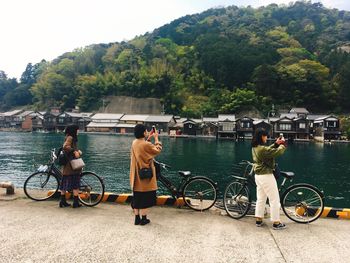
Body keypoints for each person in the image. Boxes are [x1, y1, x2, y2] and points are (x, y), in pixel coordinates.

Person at [251, 128, 286, 230]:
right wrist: (282, 145)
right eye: (265, 135)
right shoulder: (261, 149)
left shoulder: (255, 147)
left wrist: (276, 144)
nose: (267, 137)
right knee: (274, 199)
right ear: (262, 136)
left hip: (258, 176)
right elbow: (276, 153)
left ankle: (258, 219)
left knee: (261, 199)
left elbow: (267, 151)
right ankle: (276, 222)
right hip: (266, 176)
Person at [130, 124, 162, 225]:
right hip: (144, 175)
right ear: (143, 132)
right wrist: (156, 138)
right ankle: (144, 219)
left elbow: (142, 147)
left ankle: (137, 218)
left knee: (137, 197)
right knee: (145, 197)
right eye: (146, 131)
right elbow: (157, 150)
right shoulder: (145, 144)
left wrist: (148, 138)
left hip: (136, 174)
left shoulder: (134, 142)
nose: (147, 132)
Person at [59, 124, 83, 208]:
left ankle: (62, 201)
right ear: (74, 130)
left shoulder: (69, 137)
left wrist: (77, 151)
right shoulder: (70, 138)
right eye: (77, 129)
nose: (78, 131)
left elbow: (66, 147)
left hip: (68, 166)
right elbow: (65, 146)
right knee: (75, 184)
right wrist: (75, 152)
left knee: (64, 183)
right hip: (72, 166)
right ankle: (75, 203)